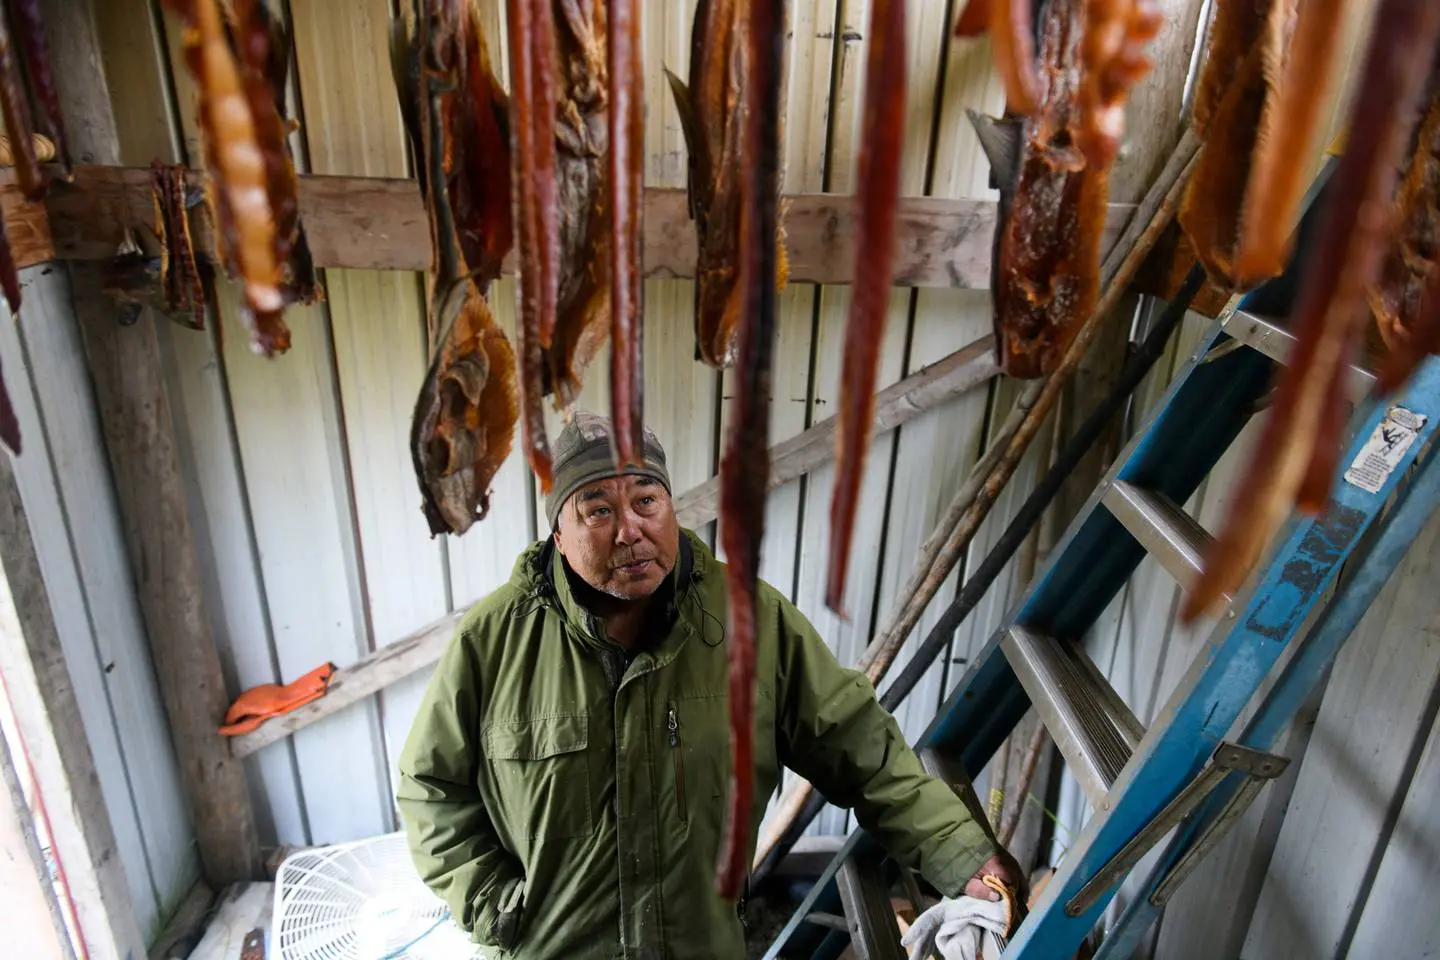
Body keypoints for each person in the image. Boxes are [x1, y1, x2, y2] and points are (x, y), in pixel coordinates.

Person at [397, 411, 1023, 959]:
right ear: (558, 535)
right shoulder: (494, 641)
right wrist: (491, 904)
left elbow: (860, 748)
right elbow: (429, 787)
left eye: (647, 501)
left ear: (671, 507)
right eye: (598, 510)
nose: (629, 529)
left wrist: (959, 853)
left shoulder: (752, 623)